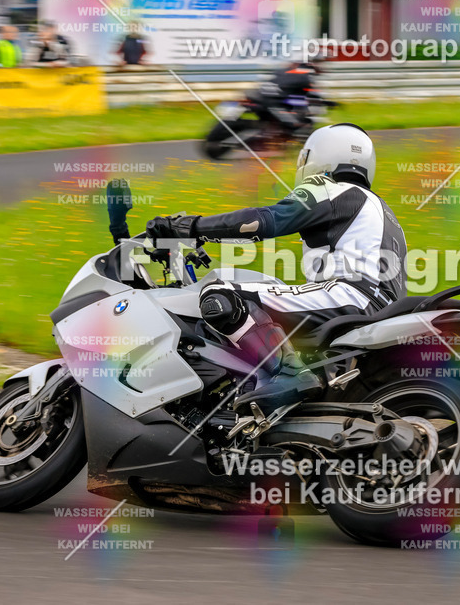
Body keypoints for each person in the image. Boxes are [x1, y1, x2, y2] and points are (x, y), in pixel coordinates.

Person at [146, 123, 406, 414]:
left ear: (318, 156)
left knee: (220, 293)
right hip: (379, 308)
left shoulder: (332, 189)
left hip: (349, 296)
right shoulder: (384, 211)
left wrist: (189, 227)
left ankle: (290, 375)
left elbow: (262, 221)